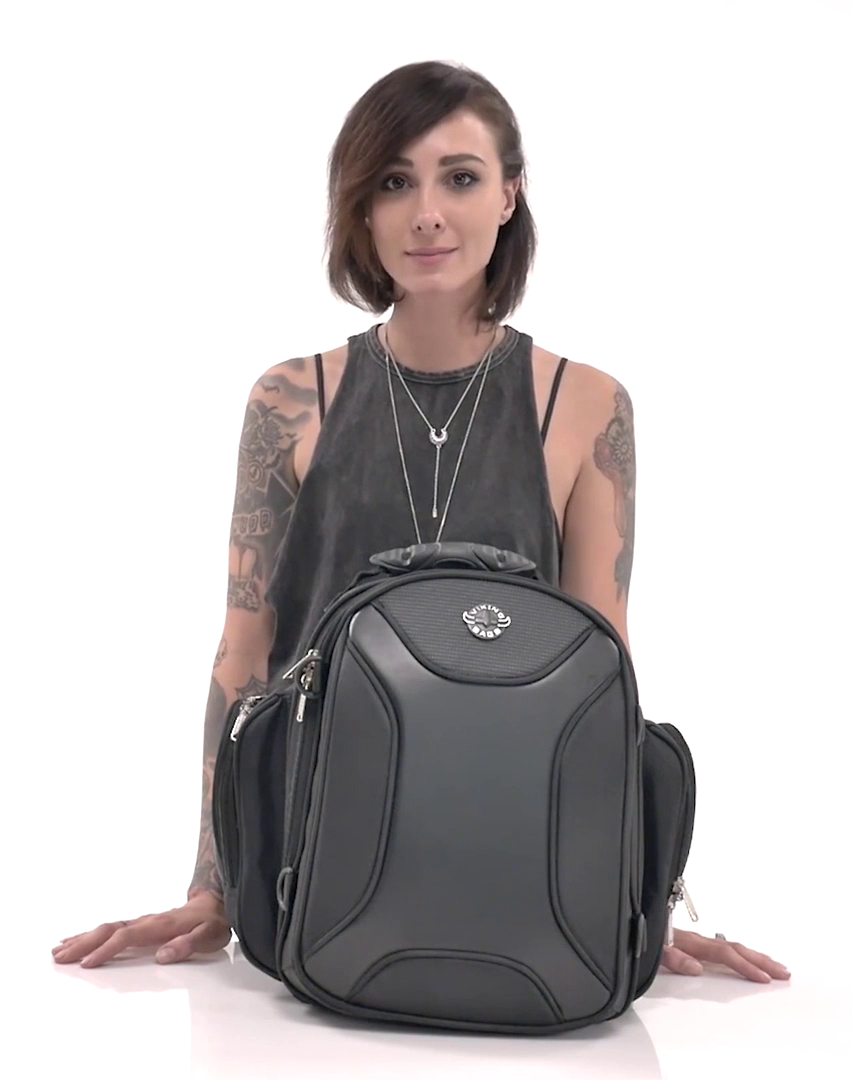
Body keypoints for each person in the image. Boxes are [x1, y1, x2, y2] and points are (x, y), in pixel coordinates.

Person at [52, 60, 789, 987]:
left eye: (460, 177)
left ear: (510, 194)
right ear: (361, 208)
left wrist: (627, 902)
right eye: (395, 182)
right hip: (316, 846)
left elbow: (602, 669)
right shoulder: (292, 399)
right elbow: (245, 654)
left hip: (509, 839)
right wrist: (215, 889)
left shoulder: (586, 405)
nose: (427, 214)